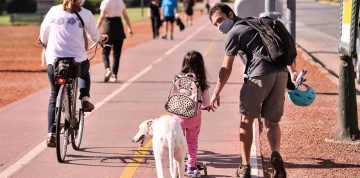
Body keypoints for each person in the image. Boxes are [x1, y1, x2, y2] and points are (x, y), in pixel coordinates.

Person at [208, 3, 299, 178]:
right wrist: (293, 71)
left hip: (258, 77)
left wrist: (216, 92)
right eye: (215, 24)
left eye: (220, 20)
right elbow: (281, 47)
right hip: (280, 75)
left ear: (230, 14)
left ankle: (245, 166)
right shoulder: (258, 23)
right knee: (272, 122)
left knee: (246, 121)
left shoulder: (234, 33)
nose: (219, 26)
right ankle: (276, 155)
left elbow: (226, 68)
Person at [39, 0, 108, 147]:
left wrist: (44, 41)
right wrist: (103, 39)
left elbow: (43, 35)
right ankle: (84, 98)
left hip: (54, 61)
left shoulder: (53, 10)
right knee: (84, 72)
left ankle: (51, 133)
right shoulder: (86, 13)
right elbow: (95, 37)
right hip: (76, 61)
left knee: (53, 95)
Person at [171, 50, 212, 177]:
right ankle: (191, 166)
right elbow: (205, 103)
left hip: (178, 117)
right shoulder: (201, 82)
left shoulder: (178, 79)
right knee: (192, 141)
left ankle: (178, 164)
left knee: (178, 142)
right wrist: (207, 106)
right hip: (194, 117)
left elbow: (173, 96)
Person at [97, 0, 133, 82]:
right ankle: (114, 75)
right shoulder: (120, 2)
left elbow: (102, 16)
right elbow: (126, 16)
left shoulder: (105, 2)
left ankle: (107, 68)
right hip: (119, 28)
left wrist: (96, 29)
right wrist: (130, 28)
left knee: (105, 51)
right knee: (117, 53)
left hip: (108, 28)